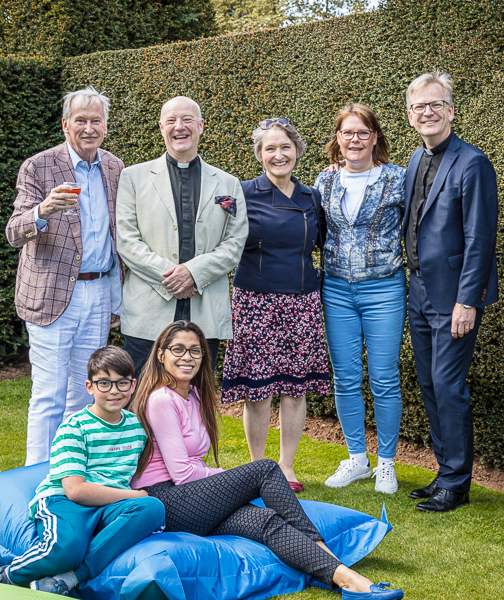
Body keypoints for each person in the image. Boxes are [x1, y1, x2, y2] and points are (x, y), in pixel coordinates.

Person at [130, 321, 403, 600]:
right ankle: (323, 549)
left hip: (193, 501)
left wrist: (226, 480)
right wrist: (231, 479)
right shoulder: (161, 399)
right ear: (161, 354)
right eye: (178, 349)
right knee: (266, 469)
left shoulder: (195, 395)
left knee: (266, 521)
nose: (187, 357)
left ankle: (347, 580)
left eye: (195, 351)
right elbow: (183, 474)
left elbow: (194, 465)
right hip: (168, 502)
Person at [0, 346, 165, 595]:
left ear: (133, 385)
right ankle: (7, 575)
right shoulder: (75, 427)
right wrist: (133, 495)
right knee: (68, 549)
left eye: (122, 383)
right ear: (89, 387)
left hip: (110, 504)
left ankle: (69, 579)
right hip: (65, 501)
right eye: (104, 383)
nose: (114, 391)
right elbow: (75, 490)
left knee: (153, 508)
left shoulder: (137, 428)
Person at [6, 86, 125, 466]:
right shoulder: (38, 166)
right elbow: (14, 232)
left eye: (96, 121)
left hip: (99, 291)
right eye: (81, 120)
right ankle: (36, 476)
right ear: (65, 124)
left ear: (105, 125)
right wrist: (43, 209)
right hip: (52, 296)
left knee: (84, 393)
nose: (89, 128)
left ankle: (70, 472)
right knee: (49, 394)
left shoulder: (114, 167)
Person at [403, 71, 498, 512]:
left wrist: (468, 300)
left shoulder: (473, 162)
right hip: (418, 291)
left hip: (454, 297)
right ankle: (445, 473)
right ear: (410, 115)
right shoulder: (414, 161)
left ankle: (457, 483)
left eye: (435, 104)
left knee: (448, 384)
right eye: (419, 106)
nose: (427, 112)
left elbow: (481, 238)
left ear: (451, 111)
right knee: (428, 383)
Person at [221, 118, 330, 492]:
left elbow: (322, 244)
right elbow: (218, 238)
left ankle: (285, 466)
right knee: (259, 389)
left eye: (285, 147)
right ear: (260, 155)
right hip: (255, 300)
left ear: (297, 151)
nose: (278, 154)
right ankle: (257, 468)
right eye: (270, 148)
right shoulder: (241, 193)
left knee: (296, 389)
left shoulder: (312, 197)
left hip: (302, 301)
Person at [115, 96, 247, 376]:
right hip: (149, 311)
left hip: (205, 310)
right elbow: (127, 241)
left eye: (187, 119)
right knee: (141, 398)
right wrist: (173, 277)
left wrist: (194, 273)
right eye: (172, 120)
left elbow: (234, 243)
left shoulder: (227, 184)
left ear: (201, 126)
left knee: (197, 403)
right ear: (161, 127)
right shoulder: (132, 178)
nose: (179, 127)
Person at [313, 104, 406, 494]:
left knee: (384, 377)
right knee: (346, 377)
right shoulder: (324, 181)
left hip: (384, 287)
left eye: (362, 132)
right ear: (337, 139)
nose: (354, 140)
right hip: (336, 289)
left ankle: (386, 463)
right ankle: (356, 459)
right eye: (347, 133)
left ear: (375, 137)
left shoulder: (398, 178)